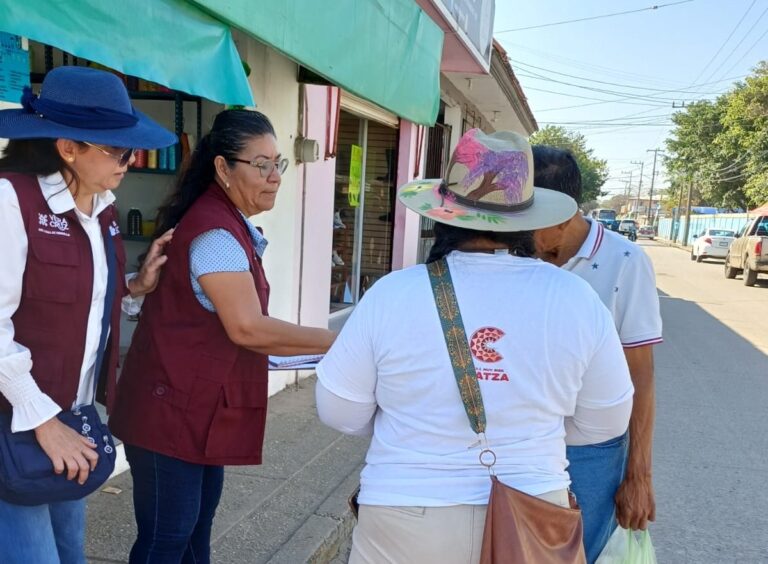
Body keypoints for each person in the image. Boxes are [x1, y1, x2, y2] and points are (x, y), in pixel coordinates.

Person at [315, 129, 634, 564]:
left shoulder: (392, 294)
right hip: (534, 514)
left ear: (444, 214)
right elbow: (606, 421)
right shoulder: (576, 299)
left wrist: (414, 418)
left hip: (406, 514)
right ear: (527, 219)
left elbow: (340, 411)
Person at [108, 109, 336, 563]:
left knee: (193, 533)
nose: (274, 177)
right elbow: (247, 327)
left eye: (278, 164)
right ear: (222, 168)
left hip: (192, 409)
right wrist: (344, 340)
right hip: (168, 412)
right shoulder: (215, 233)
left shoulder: (225, 223)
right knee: (167, 539)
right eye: (261, 165)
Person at [0, 66, 176, 564]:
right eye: (117, 150)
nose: (130, 159)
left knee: (69, 553)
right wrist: (42, 420)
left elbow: (74, 299)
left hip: (69, 419)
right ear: (68, 146)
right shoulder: (10, 200)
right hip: (20, 423)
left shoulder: (102, 209)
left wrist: (133, 290)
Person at [532, 145, 663, 563]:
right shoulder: (516, 254)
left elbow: (640, 374)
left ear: (564, 212)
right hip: (520, 441)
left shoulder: (625, 262)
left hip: (591, 453)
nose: (521, 232)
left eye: (532, 219)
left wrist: (638, 474)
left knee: (579, 553)